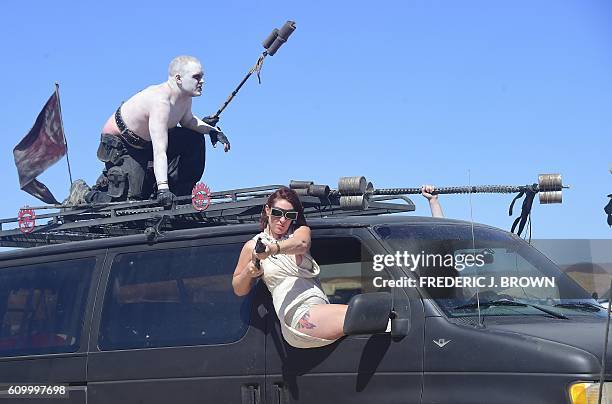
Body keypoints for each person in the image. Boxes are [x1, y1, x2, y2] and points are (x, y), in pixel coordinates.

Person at [68, 55, 230, 206]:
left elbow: (188, 121)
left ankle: (181, 195)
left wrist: (212, 131)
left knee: (193, 139)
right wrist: (163, 189)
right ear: (179, 78)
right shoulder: (161, 102)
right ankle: (84, 194)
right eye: (197, 77)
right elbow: (160, 151)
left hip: (146, 143)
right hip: (123, 145)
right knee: (130, 204)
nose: (202, 81)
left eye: (202, 76)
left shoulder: (184, 97)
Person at [232, 187, 347, 348]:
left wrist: (272, 249)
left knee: (370, 320)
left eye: (290, 215)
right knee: (363, 315)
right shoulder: (252, 246)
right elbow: (238, 288)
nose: (283, 220)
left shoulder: (300, 232)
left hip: (320, 308)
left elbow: (301, 244)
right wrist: (249, 272)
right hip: (297, 314)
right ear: (267, 210)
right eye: (278, 213)